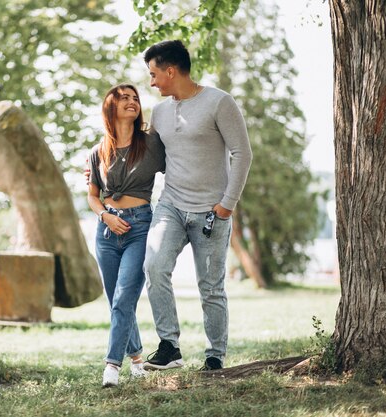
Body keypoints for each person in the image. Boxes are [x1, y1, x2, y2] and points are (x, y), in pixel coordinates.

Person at [141, 40, 252, 372]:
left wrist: (227, 205)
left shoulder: (219, 102)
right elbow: (147, 159)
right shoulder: (159, 112)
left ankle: (215, 355)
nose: (152, 82)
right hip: (171, 205)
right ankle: (169, 346)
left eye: (154, 74)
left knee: (211, 286)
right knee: (155, 267)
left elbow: (242, 153)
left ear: (171, 71)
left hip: (212, 211)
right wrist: (101, 170)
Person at [87, 84, 166, 387]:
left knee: (124, 298)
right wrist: (104, 215)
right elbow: (93, 196)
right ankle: (136, 359)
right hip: (106, 229)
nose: (132, 102)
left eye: (135, 98)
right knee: (116, 301)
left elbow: (179, 165)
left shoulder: (151, 144)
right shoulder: (98, 151)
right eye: (124, 98)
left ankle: (111, 366)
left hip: (139, 226)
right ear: (111, 107)